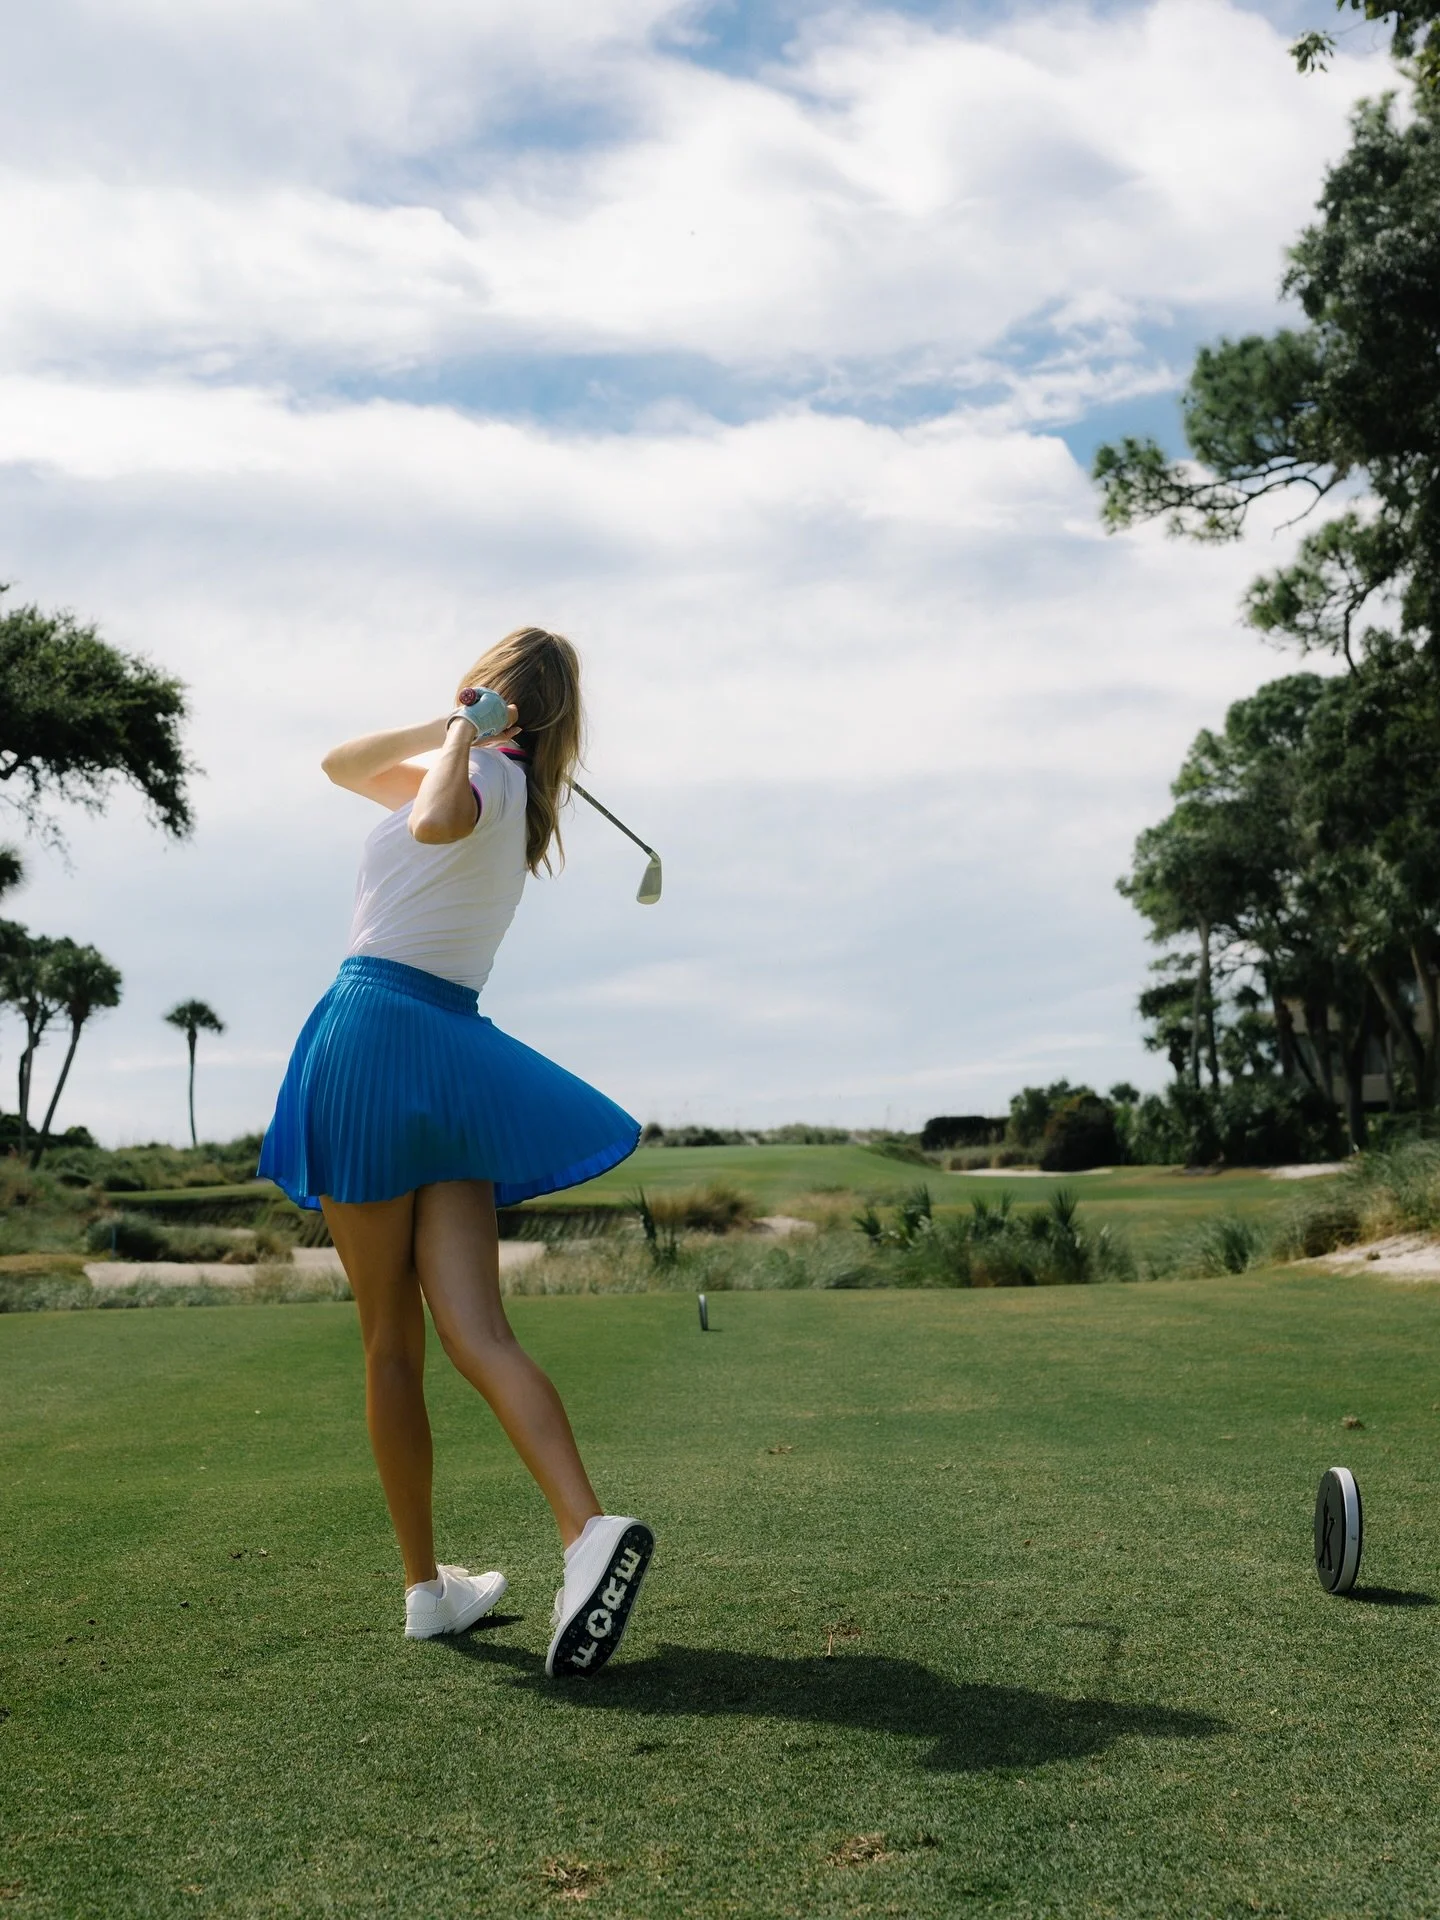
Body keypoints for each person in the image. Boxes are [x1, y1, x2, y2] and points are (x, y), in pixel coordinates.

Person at [258, 626, 653, 1678]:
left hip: (374, 1031)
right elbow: (344, 765)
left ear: (497, 689)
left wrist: (460, 735)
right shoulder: (505, 785)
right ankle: (583, 1533)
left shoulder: (473, 779)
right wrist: (453, 725)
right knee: (479, 1328)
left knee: (393, 1341)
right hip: (447, 1052)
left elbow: (431, 819)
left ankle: (425, 1588)